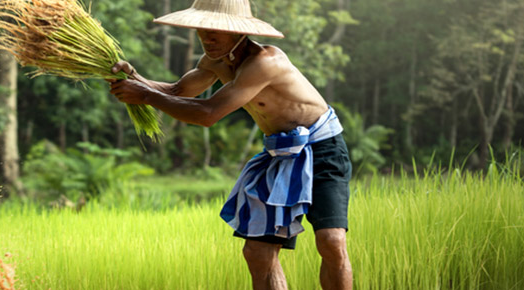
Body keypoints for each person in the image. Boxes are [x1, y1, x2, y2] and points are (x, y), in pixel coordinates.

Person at [107, 0, 353, 289]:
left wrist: (145, 96)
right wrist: (134, 78)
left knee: (331, 241)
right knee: (258, 253)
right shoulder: (213, 61)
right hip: (279, 152)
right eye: (202, 29)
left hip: (322, 148)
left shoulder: (265, 62)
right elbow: (177, 90)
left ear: (238, 32)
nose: (206, 37)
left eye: (216, 31)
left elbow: (208, 113)